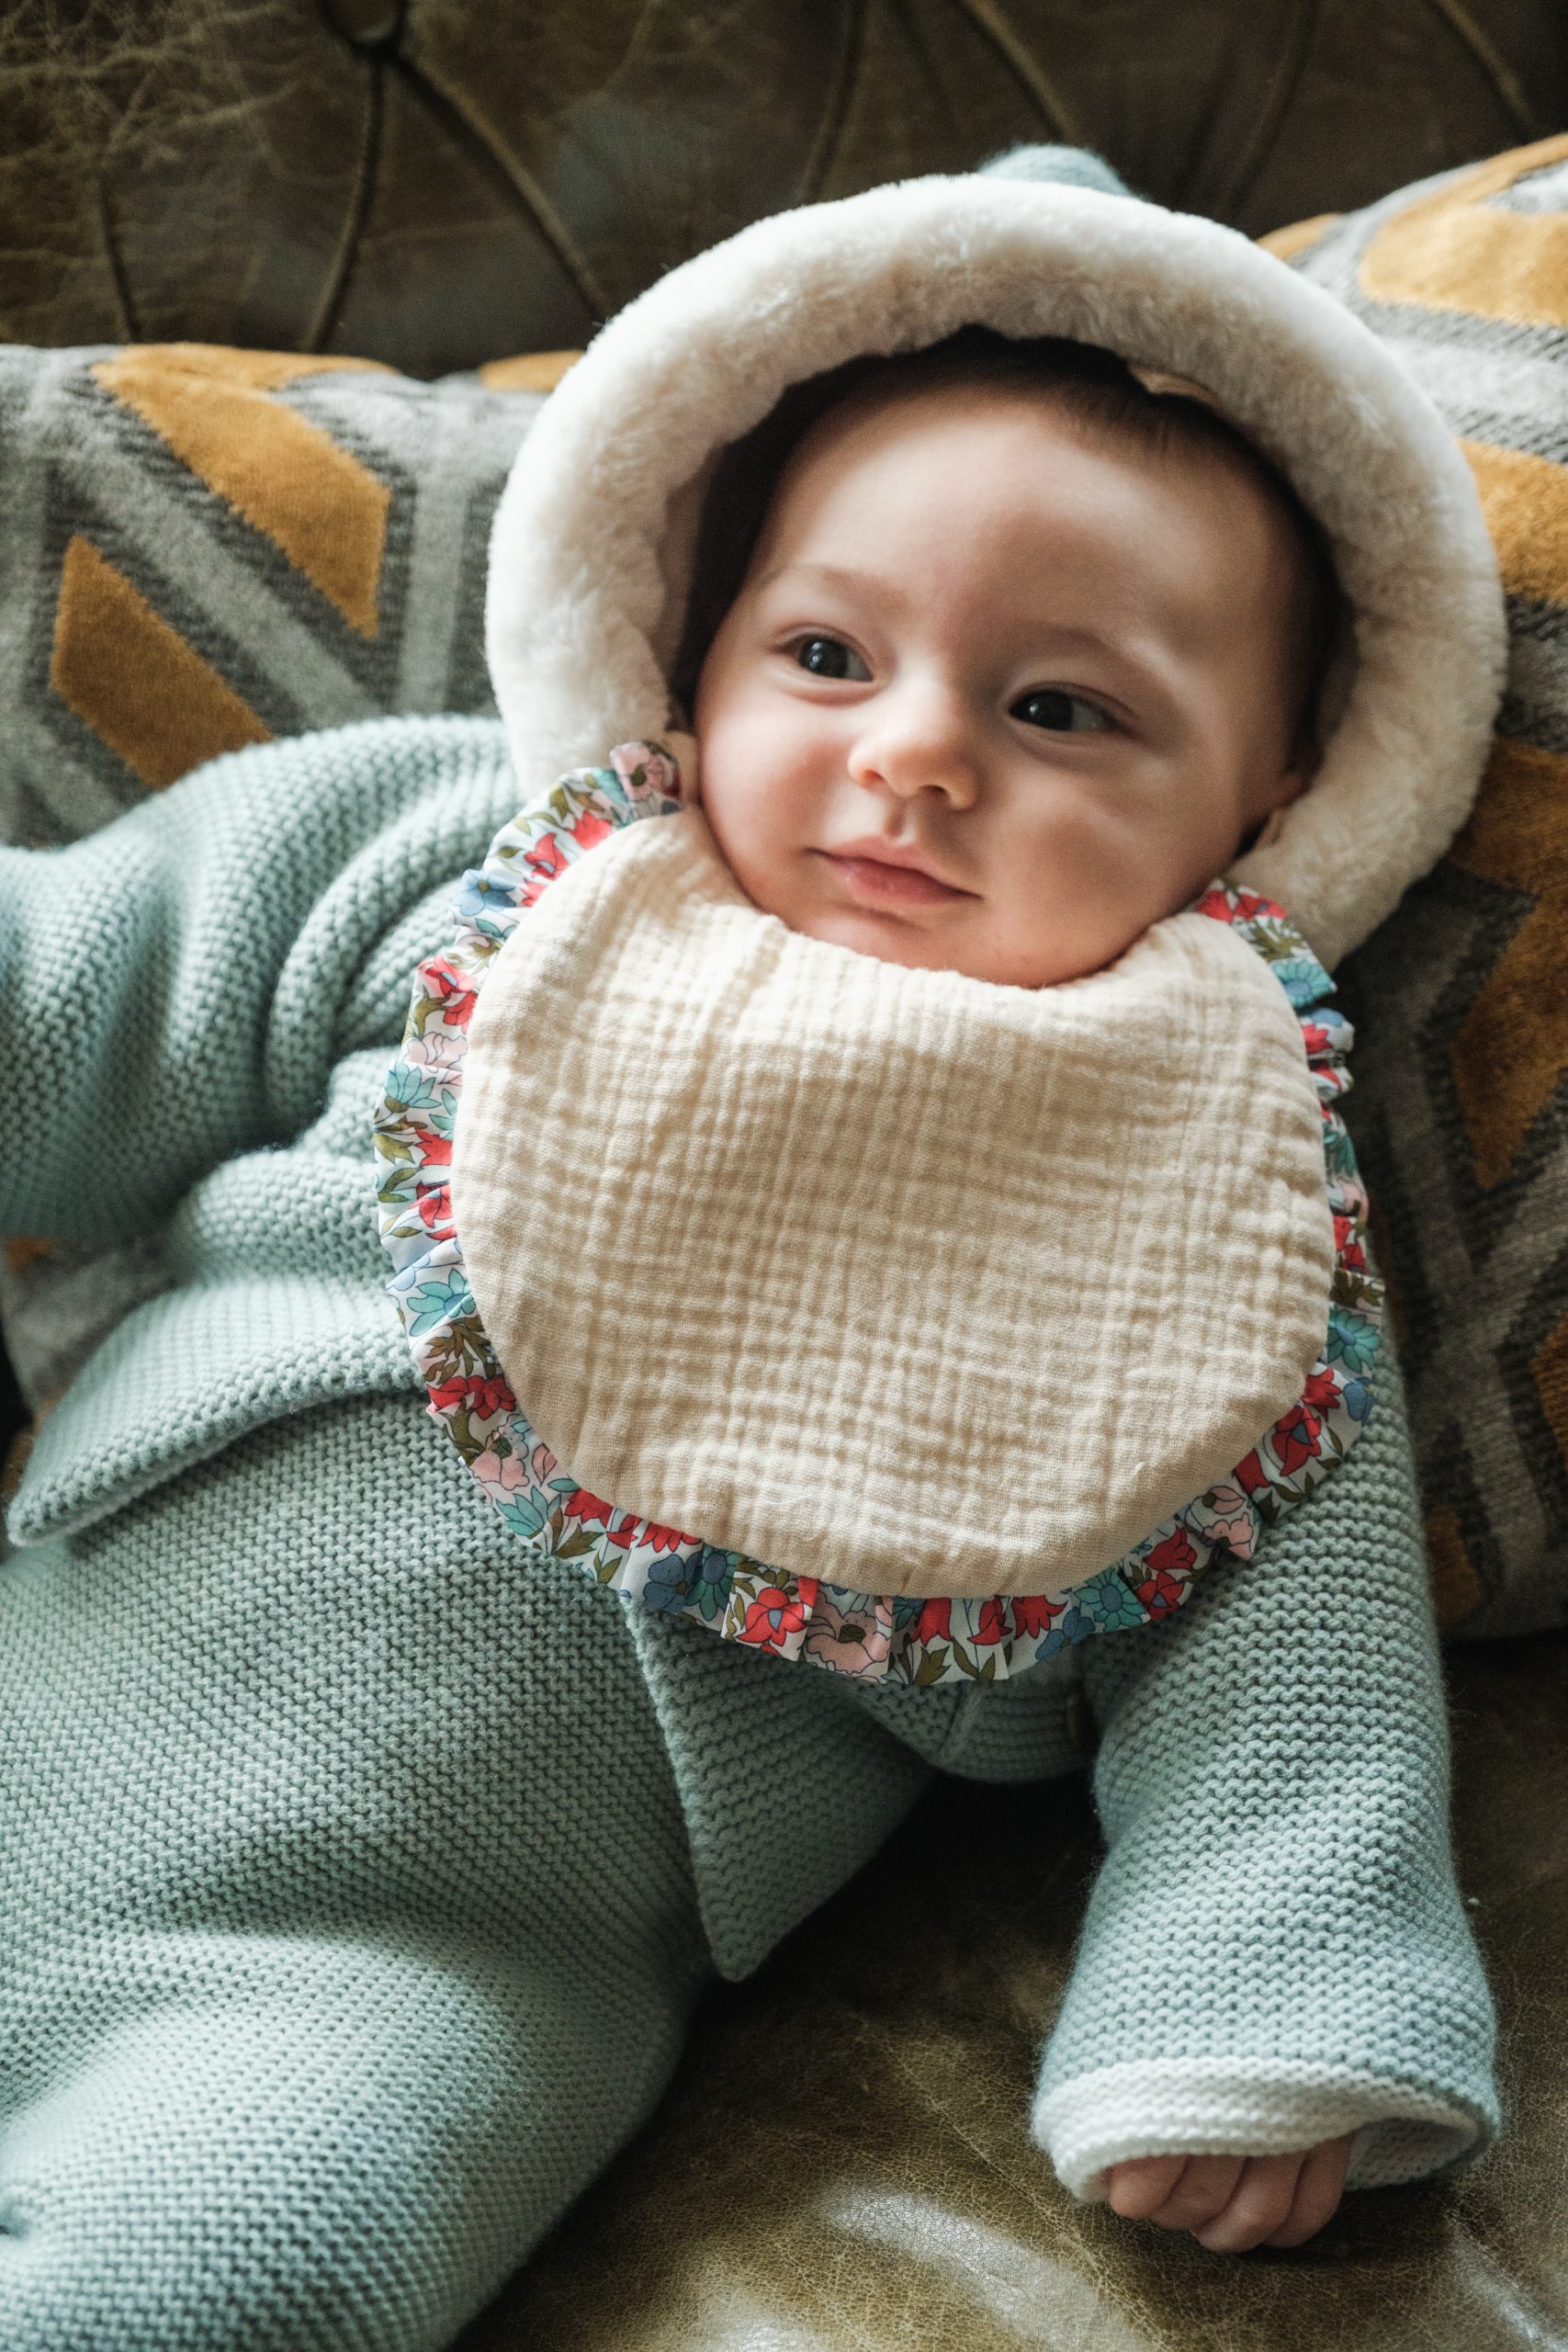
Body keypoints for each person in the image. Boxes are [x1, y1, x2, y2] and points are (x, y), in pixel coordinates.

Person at [0, 150, 1506, 2349]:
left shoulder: (1223, 1206)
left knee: (256, 2259)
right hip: (70, 1630)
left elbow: (1292, 1686)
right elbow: (86, 987)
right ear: (694, 651)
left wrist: (1259, 1992)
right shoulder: (490, 869)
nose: (912, 754)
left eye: (1060, 708)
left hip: (421, 1949)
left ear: (1273, 795)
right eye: (822, 652)